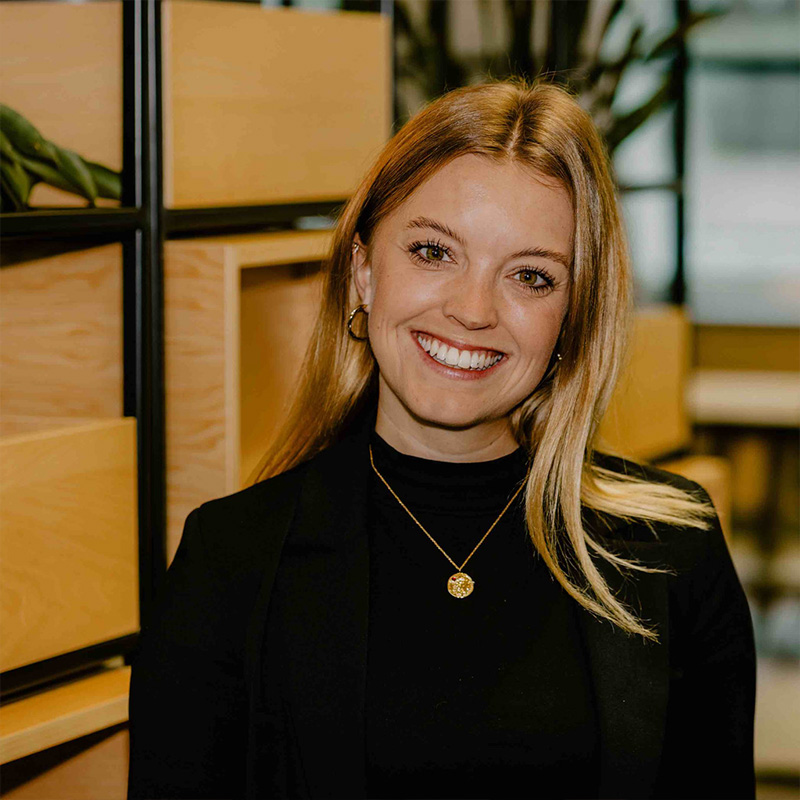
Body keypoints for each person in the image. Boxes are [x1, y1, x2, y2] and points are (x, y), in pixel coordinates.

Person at [127, 78, 756, 800]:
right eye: (433, 252)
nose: (473, 310)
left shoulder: (672, 550)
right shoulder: (231, 561)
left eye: (530, 276)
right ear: (364, 272)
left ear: (573, 316)